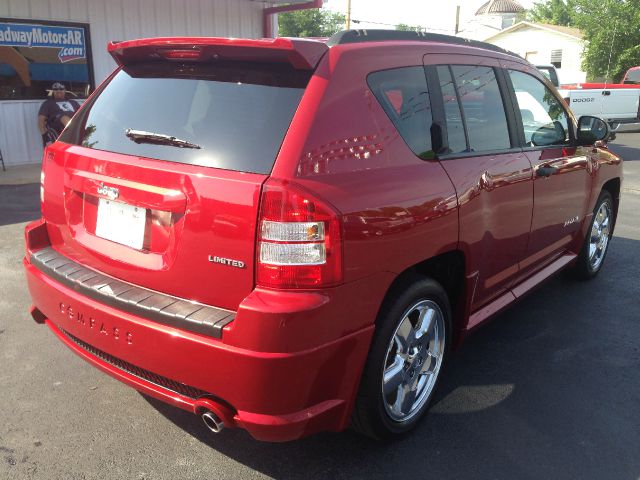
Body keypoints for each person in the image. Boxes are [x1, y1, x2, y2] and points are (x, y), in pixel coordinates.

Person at [38, 82, 81, 147]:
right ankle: (77, 139)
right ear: (53, 91)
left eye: (61, 89)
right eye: (56, 89)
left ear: (64, 90)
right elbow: (41, 119)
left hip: (75, 121)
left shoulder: (73, 102)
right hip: (58, 122)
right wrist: (44, 136)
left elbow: (82, 112)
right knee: (64, 118)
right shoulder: (48, 103)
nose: (58, 91)